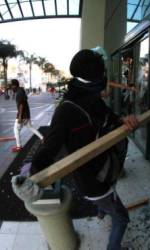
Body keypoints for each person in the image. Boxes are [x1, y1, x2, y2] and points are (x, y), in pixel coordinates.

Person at [30, 49, 138, 250]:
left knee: (105, 203)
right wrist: (31, 179)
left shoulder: (91, 99)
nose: (107, 78)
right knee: (122, 218)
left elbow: (107, 114)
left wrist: (123, 120)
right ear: (97, 78)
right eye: (103, 73)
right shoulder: (67, 109)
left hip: (104, 170)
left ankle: (100, 211)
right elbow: (47, 151)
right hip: (93, 181)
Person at [11, 79, 44, 153]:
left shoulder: (19, 93)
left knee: (16, 130)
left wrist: (20, 117)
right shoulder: (21, 90)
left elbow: (21, 105)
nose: (11, 88)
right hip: (27, 114)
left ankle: (19, 147)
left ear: (14, 85)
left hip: (23, 115)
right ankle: (42, 138)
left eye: (12, 86)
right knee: (30, 127)